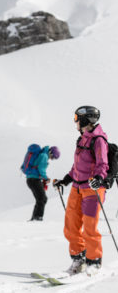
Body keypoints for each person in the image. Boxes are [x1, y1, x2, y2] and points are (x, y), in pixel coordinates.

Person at [53, 105, 108, 275]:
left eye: (77, 119)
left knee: (89, 227)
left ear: (86, 119)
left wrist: (99, 179)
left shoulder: (98, 140)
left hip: (92, 190)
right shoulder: (82, 138)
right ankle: (78, 259)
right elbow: (77, 165)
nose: (75, 122)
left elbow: (102, 164)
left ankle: (94, 262)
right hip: (77, 188)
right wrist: (66, 180)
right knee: (70, 226)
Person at [22, 145, 60, 221]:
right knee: (42, 198)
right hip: (34, 180)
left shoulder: (42, 155)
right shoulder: (44, 156)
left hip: (32, 179)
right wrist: (46, 178)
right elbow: (41, 168)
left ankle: (35, 217)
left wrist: (44, 178)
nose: (51, 159)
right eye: (53, 157)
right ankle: (37, 217)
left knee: (41, 198)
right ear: (51, 153)